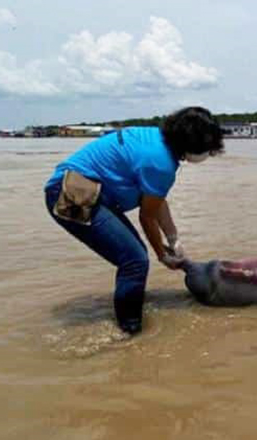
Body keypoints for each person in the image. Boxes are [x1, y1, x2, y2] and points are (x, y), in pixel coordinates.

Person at [44, 107, 223, 334]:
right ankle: (130, 331)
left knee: (134, 256)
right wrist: (162, 254)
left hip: (80, 188)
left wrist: (173, 238)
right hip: (72, 193)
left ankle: (127, 316)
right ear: (193, 143)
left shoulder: (155, 139)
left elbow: (155, 200)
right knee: (135, 260)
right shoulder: (160, 162)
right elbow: (147, 216)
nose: (207, 154)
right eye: (207, 149)